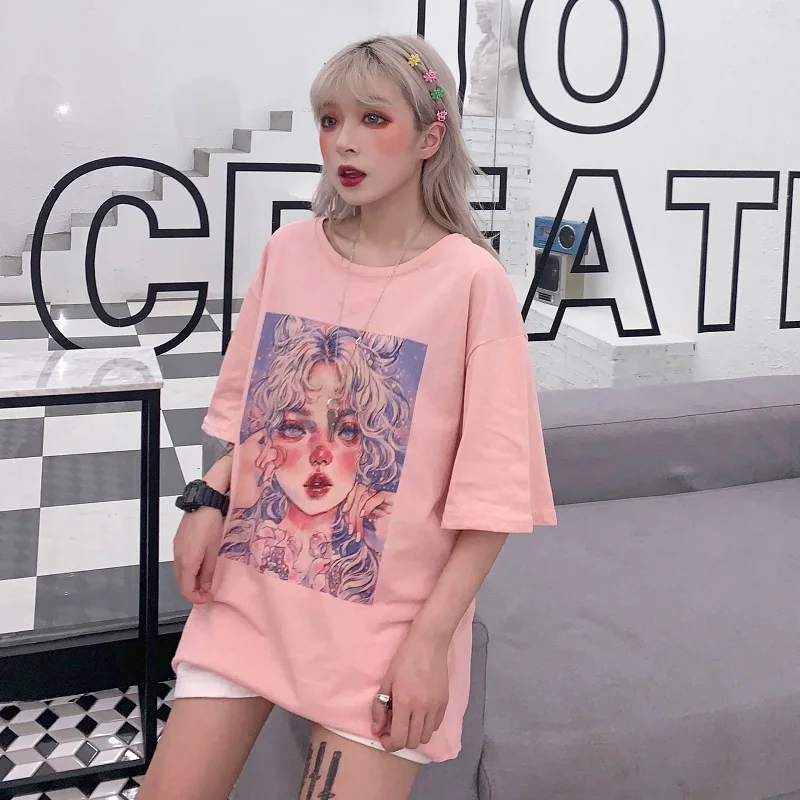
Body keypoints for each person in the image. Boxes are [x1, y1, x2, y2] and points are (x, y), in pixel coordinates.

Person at [137, 33, 557, 800]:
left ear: (430, 137)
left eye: (373, 118)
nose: (345, 141)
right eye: (330, 120)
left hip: (382, 636)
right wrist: (207, 499)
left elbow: (493, 493)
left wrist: (430, 642)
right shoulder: (288, 253)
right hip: (250, 599)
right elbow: (255, 424)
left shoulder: (472, 283)